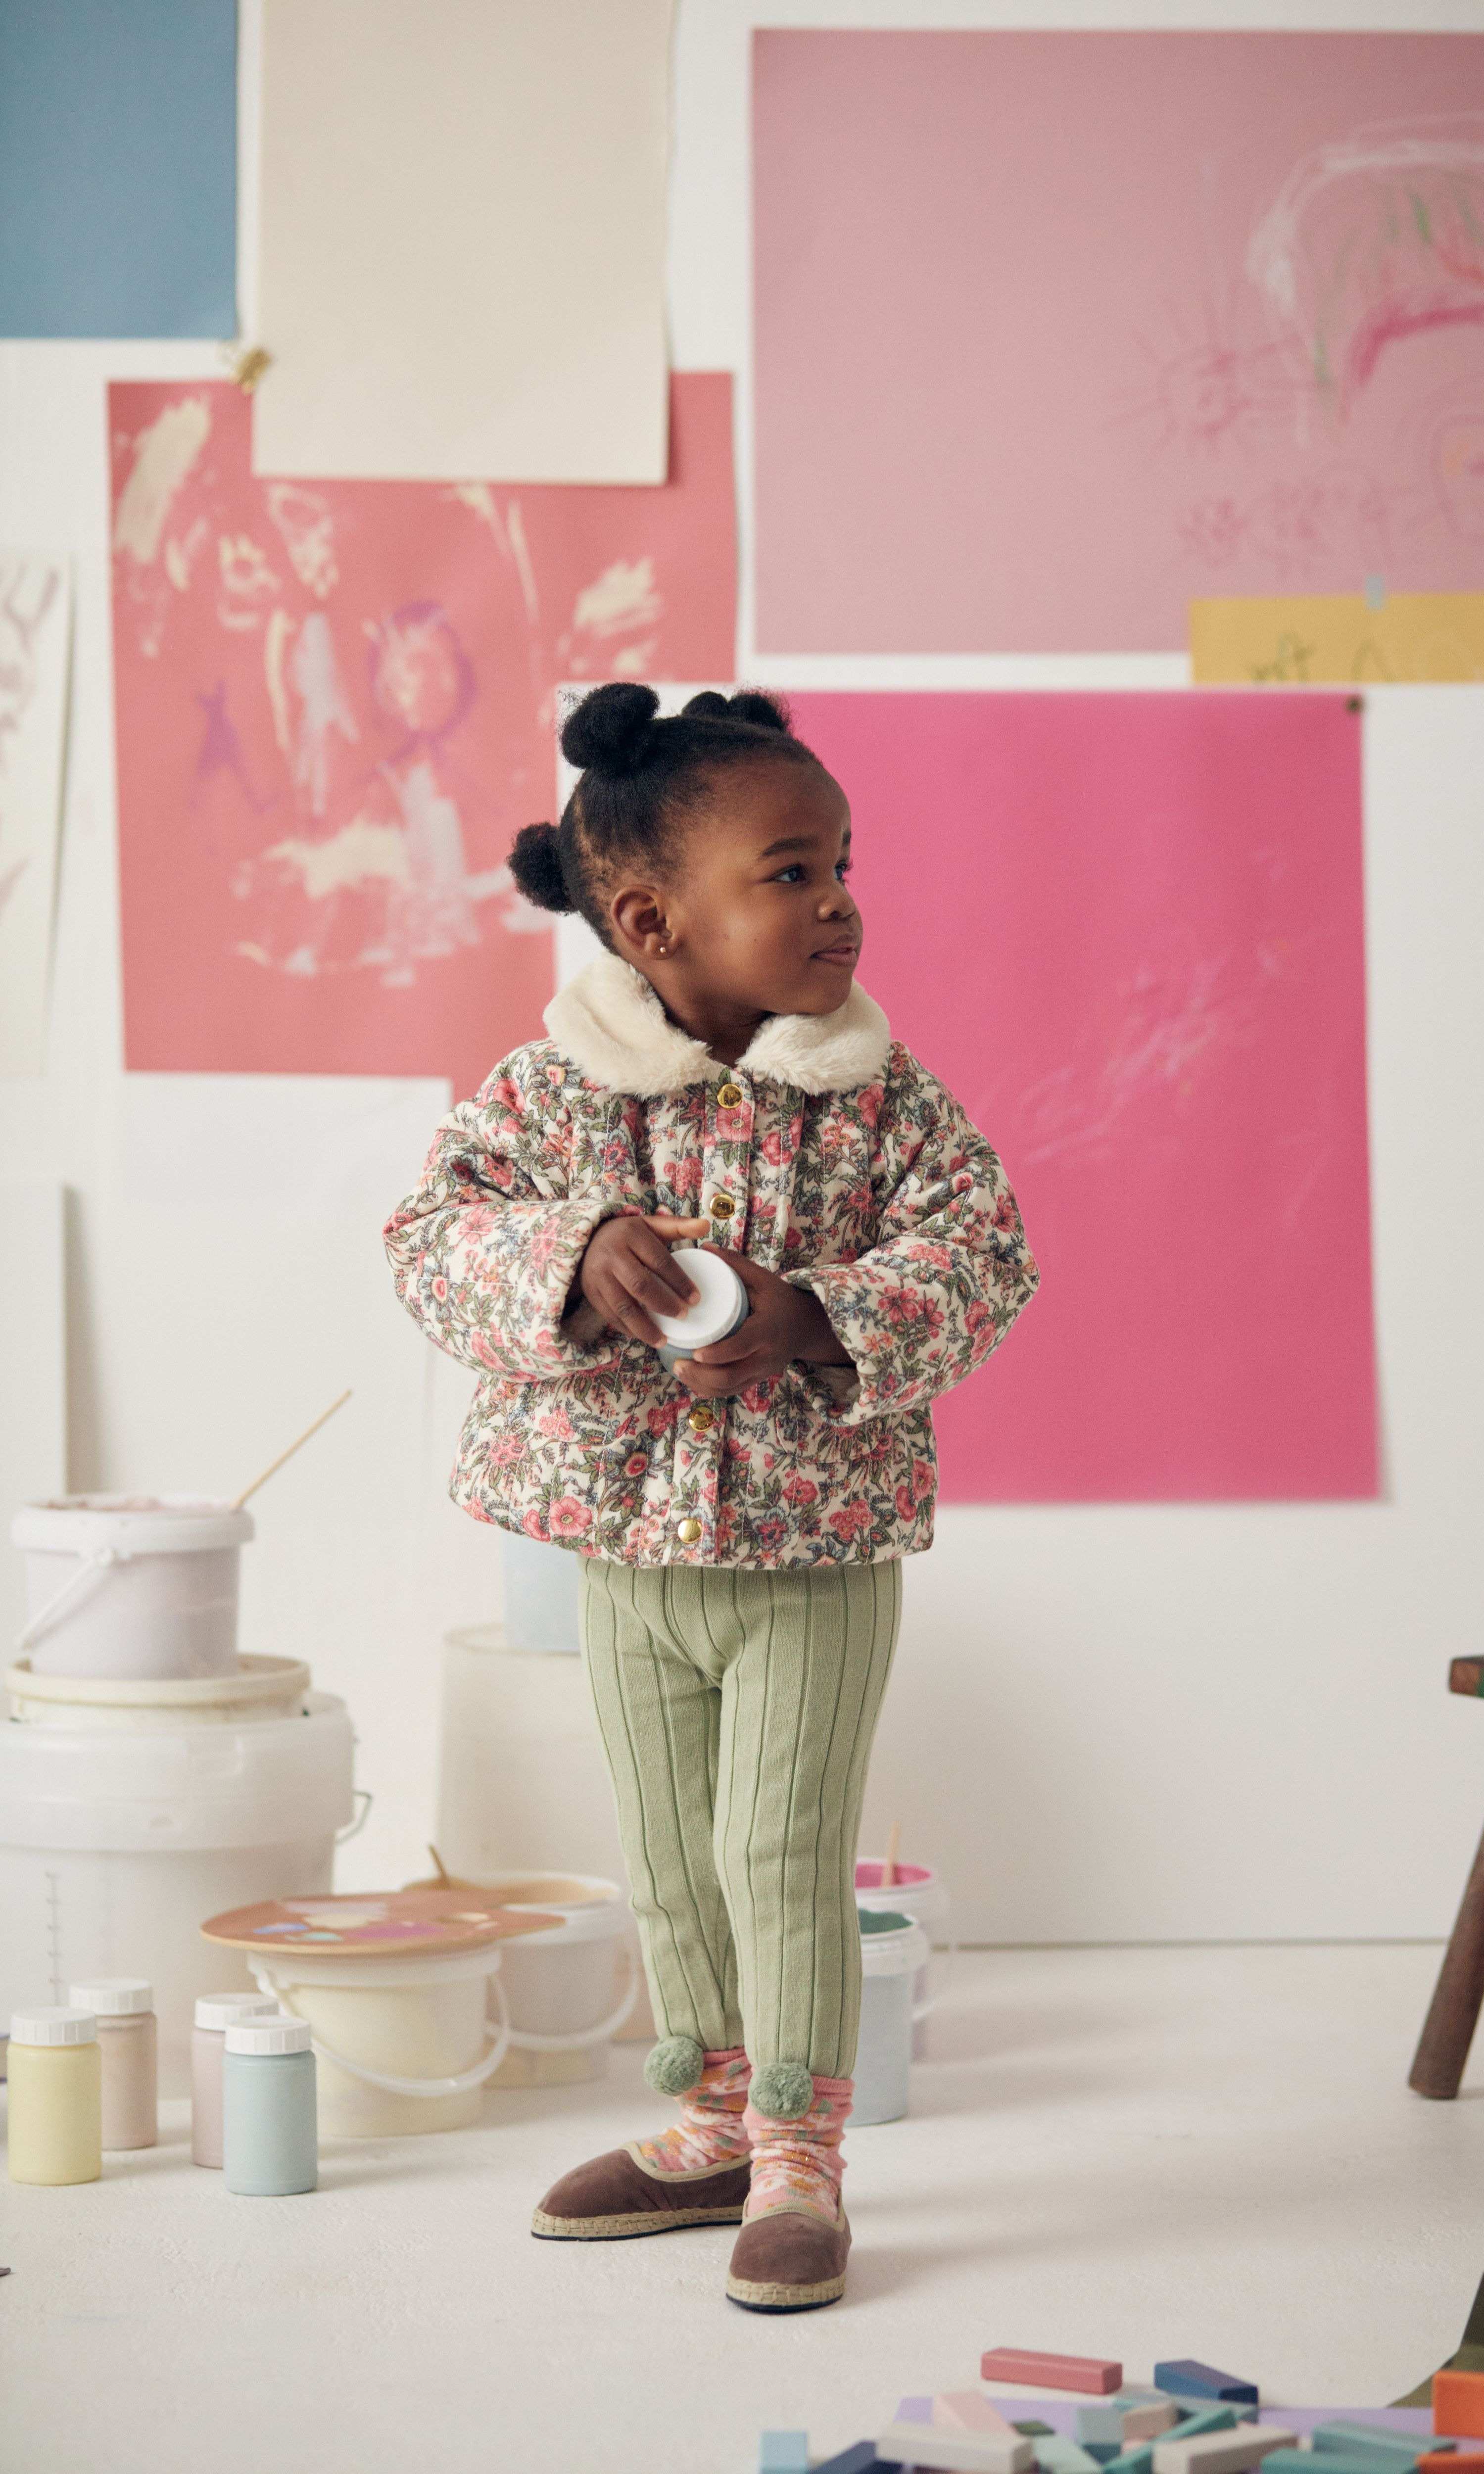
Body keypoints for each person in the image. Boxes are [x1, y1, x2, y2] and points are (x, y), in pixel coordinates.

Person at [383, 683, 1038, 2311]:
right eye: (791, 873)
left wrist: (812, 1317)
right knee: (670, 1852)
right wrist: (577, 1253)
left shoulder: (882, 1103)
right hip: (626, 1551)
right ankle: (711, 2127)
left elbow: (985, 1255)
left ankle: (802, 2151)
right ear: (649, 922)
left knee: (779, 1848)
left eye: (842, 866)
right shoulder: (553, 1096)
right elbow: (432, 1239)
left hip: (815, 1554)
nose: (839, 904)